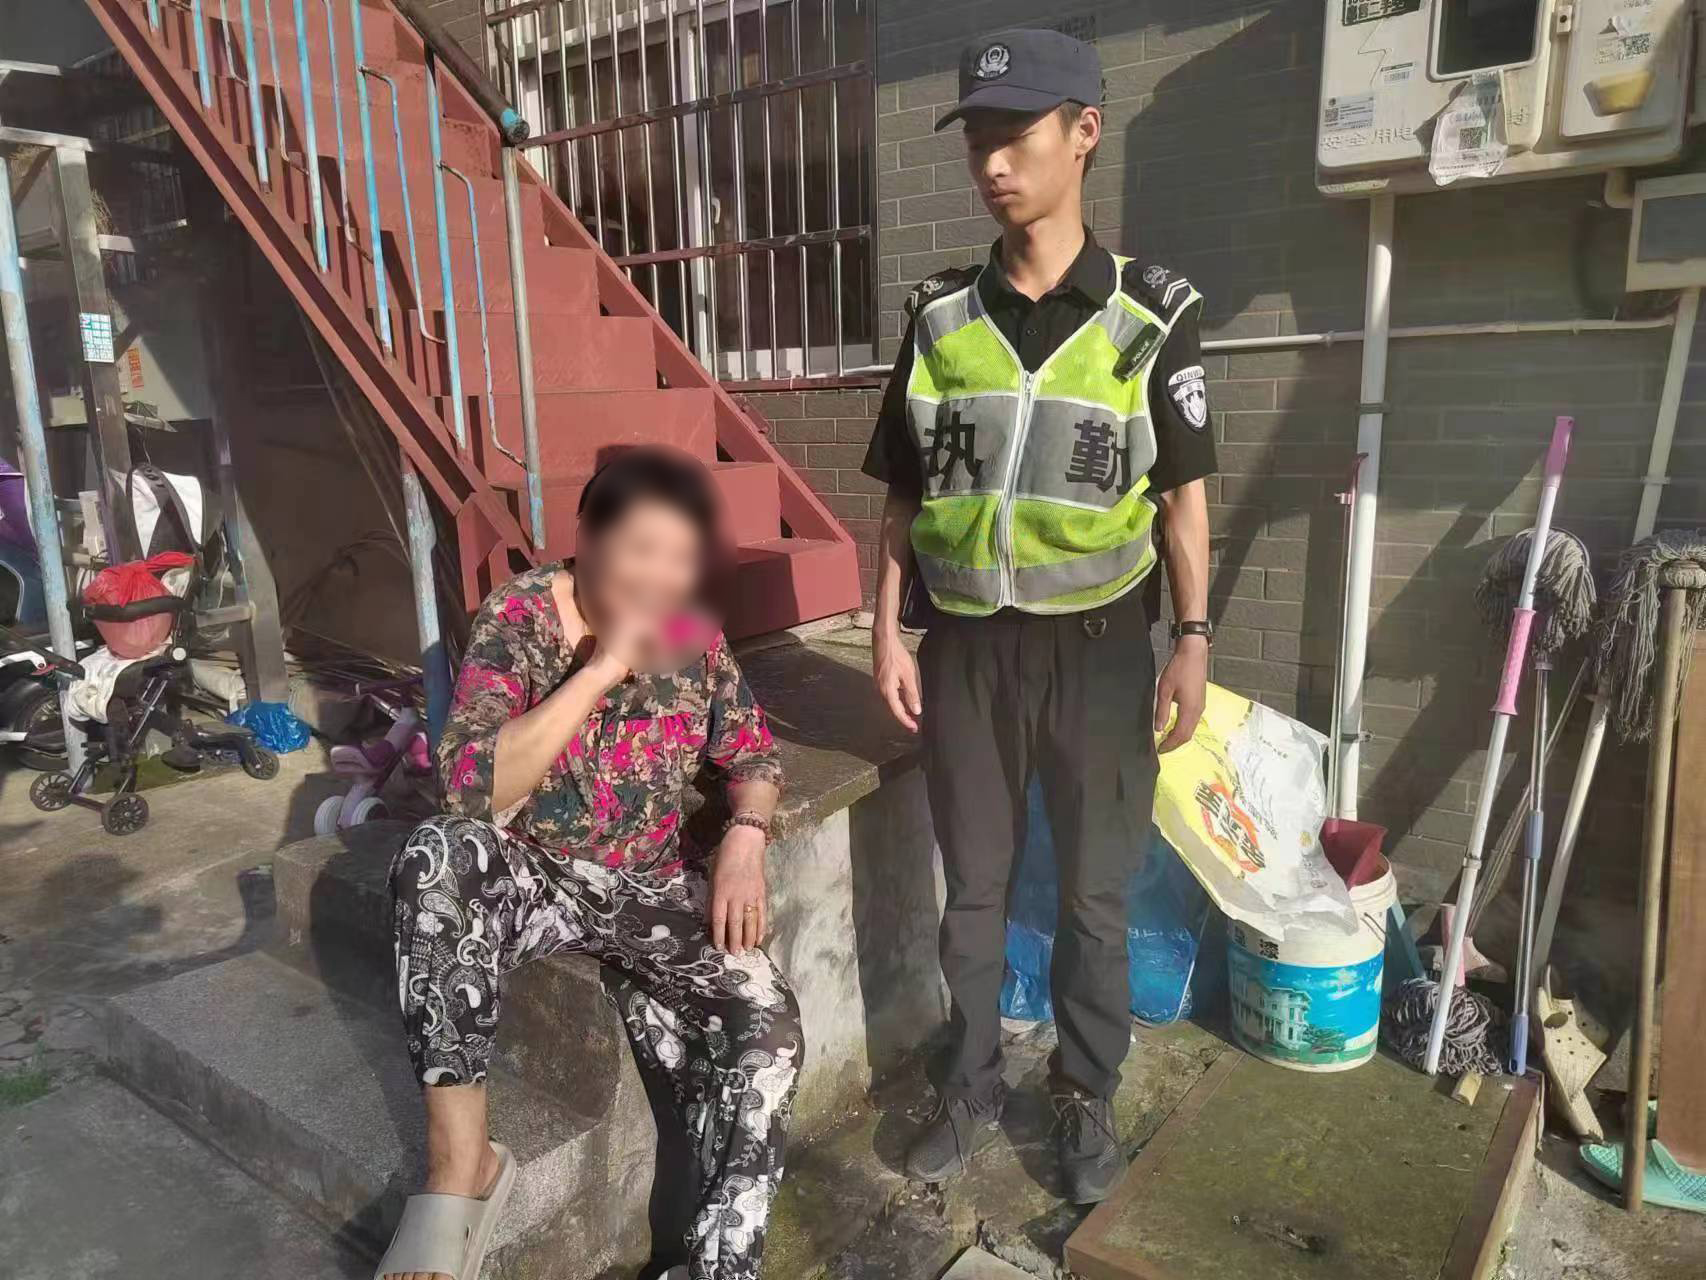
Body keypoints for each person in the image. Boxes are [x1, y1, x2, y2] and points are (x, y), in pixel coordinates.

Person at [862, 28, 1216, 1205]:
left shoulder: (1148, 316)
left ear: (1082, 133)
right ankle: (968, 1082)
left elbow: (1181, 499)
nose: (992, 164)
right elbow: (901, 494)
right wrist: (886, 630)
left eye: (1014, 136)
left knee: (1092, 896)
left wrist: (1192, 639)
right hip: (965, 651)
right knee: (971, 888)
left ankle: (1081, 1092)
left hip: (1099, 651)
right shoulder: (936, 317)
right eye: (976, 140)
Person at [375, 448, 803, 1280]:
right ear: (585, 538)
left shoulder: (694, 633)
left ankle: (720, 1267)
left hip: (650, 884)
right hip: (535, 874)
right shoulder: (521, 616)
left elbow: (753, 752)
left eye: (681, 559)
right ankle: (461, 1169)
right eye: (642, 550)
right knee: (436, 857)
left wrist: (746, 836)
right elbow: (471, 788)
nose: (661, 579)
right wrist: (604, 667)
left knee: (770, 1028)